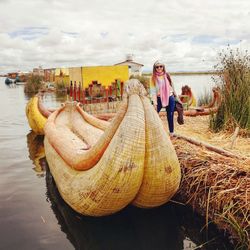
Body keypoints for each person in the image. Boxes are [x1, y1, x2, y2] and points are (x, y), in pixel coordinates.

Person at [150, 60, 179, 137]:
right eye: (157, 67)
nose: (159, 68)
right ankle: (153, 132)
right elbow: (153, 92)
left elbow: (172, 86)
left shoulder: (167, 75)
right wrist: (155, 103)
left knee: (170, 115)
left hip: (170, 97)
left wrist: (176, 96)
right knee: (153, 115)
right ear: (155, 68)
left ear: (163, 67)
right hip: (159, 99)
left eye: (161, 66)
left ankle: (171, 132)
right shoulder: (153, 78)